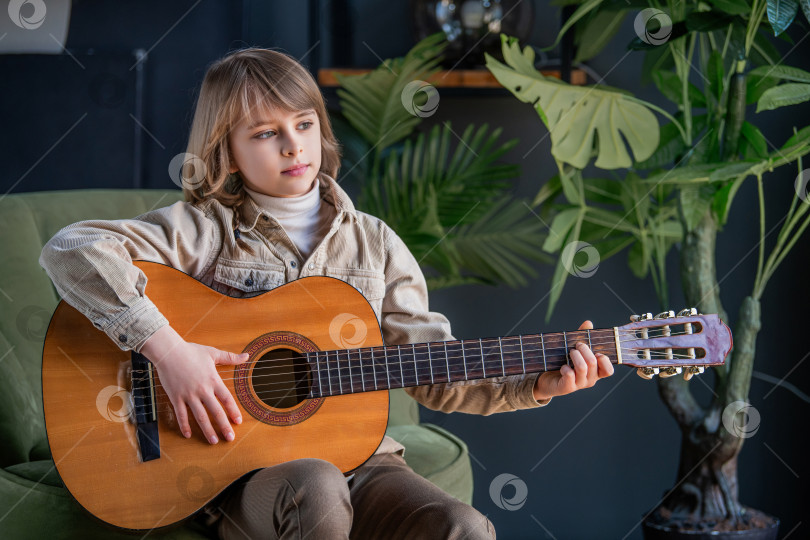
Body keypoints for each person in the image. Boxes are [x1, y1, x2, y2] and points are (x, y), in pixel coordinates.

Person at [39, 47, 614, 540]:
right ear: (226, 150)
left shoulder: (375, 245)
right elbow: (71, 248)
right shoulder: (205, 229)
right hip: (239, 473)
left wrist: (535, 385)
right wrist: (169, 352)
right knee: (313, 485)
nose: (293, 146)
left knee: (461, 527)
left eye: (304, 124)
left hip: (363, 460)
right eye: (265, 134)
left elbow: (436, 369)